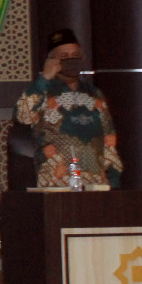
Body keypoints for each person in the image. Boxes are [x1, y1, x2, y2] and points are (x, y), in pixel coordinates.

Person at [15, 28, 122, 188]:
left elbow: (109, 139)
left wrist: (113, 182)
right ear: (52, 61)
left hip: (96, 185)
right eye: (64, 56)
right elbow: (23, 116)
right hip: (56, 185)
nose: (71, 60)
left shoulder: (95, 94)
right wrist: (44, 78)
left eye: (75, 55)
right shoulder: (42, 92)